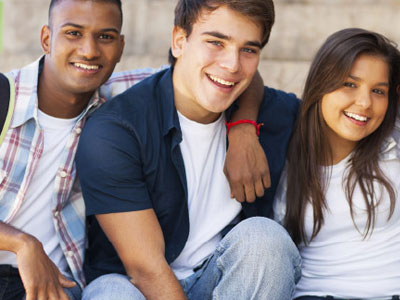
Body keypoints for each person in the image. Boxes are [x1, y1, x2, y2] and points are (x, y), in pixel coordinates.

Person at [0, 0, 267, 299]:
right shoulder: (3, 97)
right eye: (74, 33)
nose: (89, 50)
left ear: (121, 46)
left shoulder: (121, 92)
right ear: (47, 39)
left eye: (105, 37)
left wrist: (244, 128)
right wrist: (22, 243)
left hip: (57, 287)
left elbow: (234, 72)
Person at [76, 0, 301, 299]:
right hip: (134, 284)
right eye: (215, 42)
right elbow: (146, 269)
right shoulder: (117, 130)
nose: (232, 64)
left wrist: (245, 127)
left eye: (248, 49)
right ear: (179, 41)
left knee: (265, 240)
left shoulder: (272, 114)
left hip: (224, 281)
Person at [274, 28, 400, 299]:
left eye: (378, 91)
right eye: (350, 84)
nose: (365, 102)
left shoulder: (394, 145)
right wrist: (243, 129)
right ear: (321, 82)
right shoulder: (281, 145)